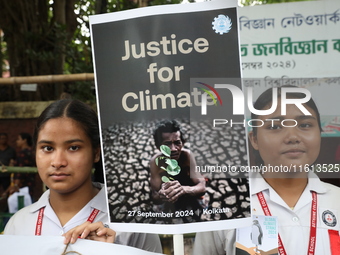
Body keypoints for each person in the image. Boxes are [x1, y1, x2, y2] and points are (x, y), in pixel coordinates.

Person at [193, 86, 340, 255]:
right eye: (275, 127)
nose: (292, 137)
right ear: (254, 139)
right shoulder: (223, 205)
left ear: (320, 133)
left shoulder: (337, 201)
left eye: (305, 125)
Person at [4, 99, 162, 253]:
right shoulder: (19, 225)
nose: (58, 162)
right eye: (47, 148)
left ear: (96, 153)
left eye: (73, 147)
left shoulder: (131, 219)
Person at [150, 120, 206, 217]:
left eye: (177, 143)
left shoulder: (187, 156)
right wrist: (162, 195)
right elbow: (154, 195)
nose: (173, 149)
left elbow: (201, 186)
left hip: (187, 193)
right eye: (167, 144)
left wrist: (184, 190)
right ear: (158, 147)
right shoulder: (156, 162)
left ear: (183, 143)